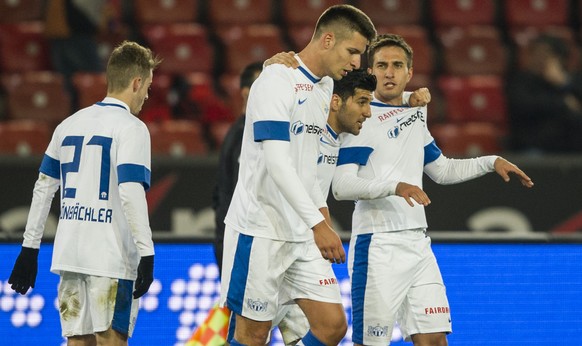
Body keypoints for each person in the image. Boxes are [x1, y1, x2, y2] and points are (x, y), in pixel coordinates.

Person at [331, 34, 534, 346]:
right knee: (370, 344)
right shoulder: (360, 117)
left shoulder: (414, 113)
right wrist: (395, 186)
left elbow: (441, 170)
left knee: (434, 340)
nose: (389, 72)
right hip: (377, 245)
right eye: (382, 65)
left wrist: (490, 162)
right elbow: (342, 186)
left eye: (397, 65)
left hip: (418, 245)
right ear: (370, 71)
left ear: (409, 73)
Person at [218, 4, 376, 346]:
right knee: (252, 335)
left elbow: (307, 170)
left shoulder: (322, 89)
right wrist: (318, 225)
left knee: (332, 326)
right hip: (260, 230)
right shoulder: (275, 80)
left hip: (300, 232)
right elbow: (277, 164)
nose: (355, 64)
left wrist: (320, 219)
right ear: (328, 39)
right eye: (352, 52)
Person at [8, 40, 160, 345]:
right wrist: (147, 252)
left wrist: (30, 248)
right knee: (111, 341)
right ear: (136, 82)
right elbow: (130, 191)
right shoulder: (132, 128)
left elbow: (43, 188)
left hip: (71, 254)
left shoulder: (68, 124)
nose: (147, 95)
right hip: (111, 258)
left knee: (78, 342)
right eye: (148, 87)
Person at [213, 61, 264, 276]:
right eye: (262, 86)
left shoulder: (239, 131)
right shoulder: (247, 133)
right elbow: (241, 192)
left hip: (233, 239)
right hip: (240, 241)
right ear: (245, 93)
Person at [506, 33, 582, 153]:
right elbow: (523, 106)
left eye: (546, 54)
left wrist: (562, 84)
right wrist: (563, 103)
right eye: (536, 53)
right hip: (534, 147)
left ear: (560, 58)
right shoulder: (521, 80)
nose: (539, 58)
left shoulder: (574, 81)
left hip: (571, 149)